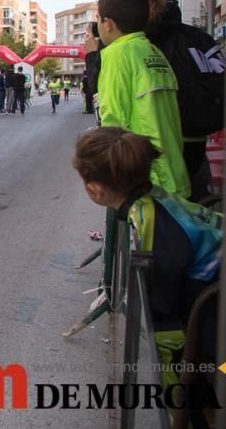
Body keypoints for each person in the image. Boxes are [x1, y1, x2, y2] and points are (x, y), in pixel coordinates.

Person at [73, 127, 220, 392]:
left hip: (214, 303)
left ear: (95, 189)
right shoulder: (151, 199)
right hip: (209, 291)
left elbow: (164, 309)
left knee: (208, 366)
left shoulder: (150, 223)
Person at [96, 0, 190, 197]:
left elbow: (113, 122)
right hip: (175, 175)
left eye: (98, 20)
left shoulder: (117, 54)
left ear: (107, 23)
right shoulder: (154, 52)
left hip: (145, 181)